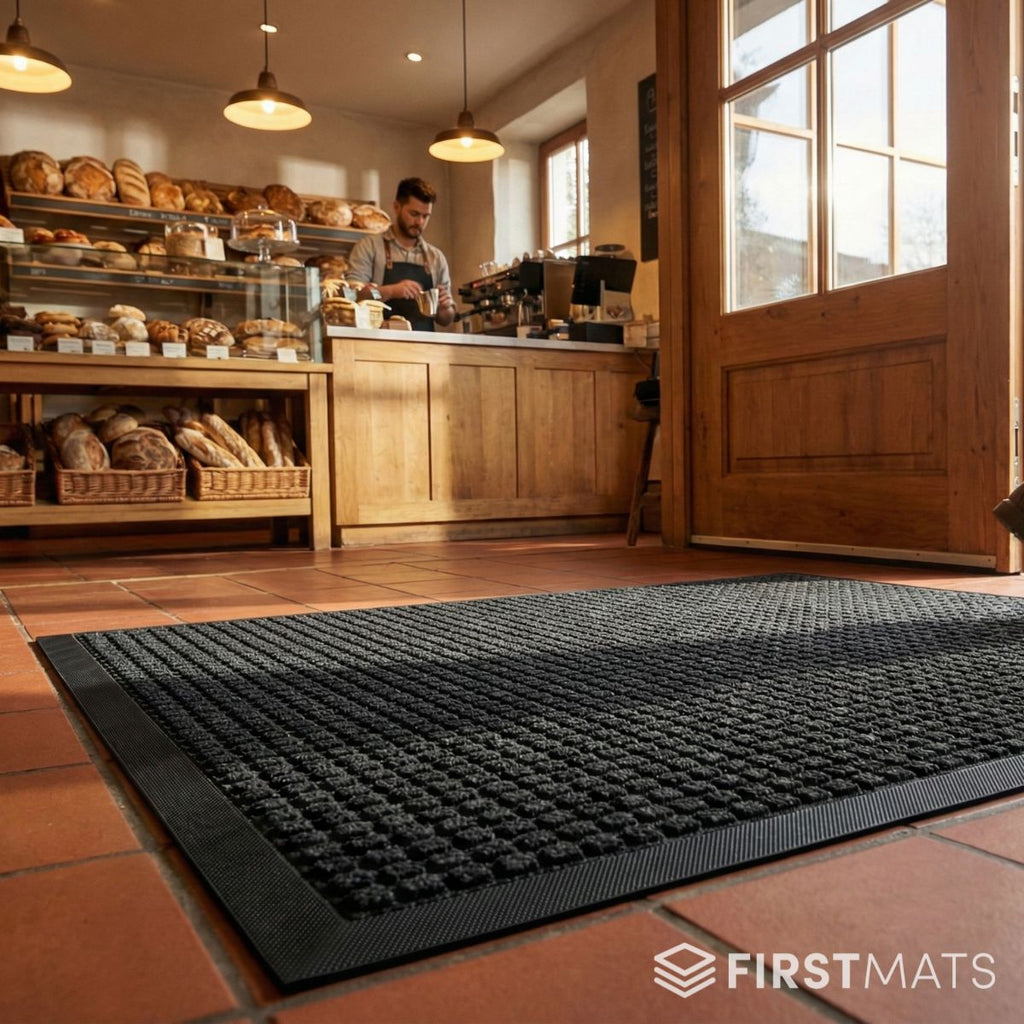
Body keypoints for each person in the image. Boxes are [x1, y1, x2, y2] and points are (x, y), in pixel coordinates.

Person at [346, 177, 457, 332]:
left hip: (424, 343)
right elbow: (352, 296)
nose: (420, 222)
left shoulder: (436, 258)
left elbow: (446, 319)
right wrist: (390, 291)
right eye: (414, 214)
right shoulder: (369, 247)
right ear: (397, 207)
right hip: (380, 342)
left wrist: (445, 308)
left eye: (425, 216)